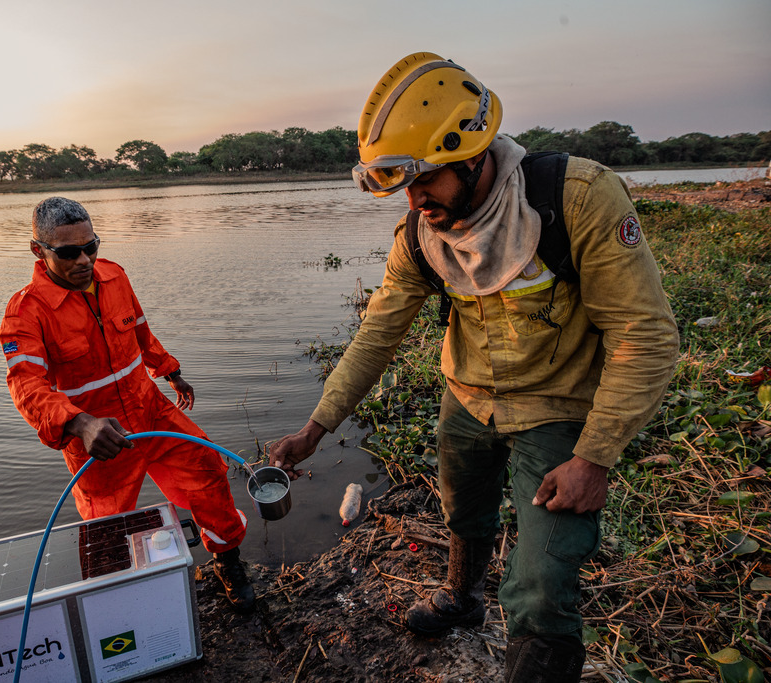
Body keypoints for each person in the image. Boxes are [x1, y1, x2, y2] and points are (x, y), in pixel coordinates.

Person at [270, 52, 679, 681]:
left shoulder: (575, 198)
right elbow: (378, 333)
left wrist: (594, 457)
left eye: (425, 180)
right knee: (464, 512)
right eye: (403, 187)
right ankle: (463, 598)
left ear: (473, 156)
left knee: (542, 581)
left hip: (558, 406)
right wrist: (315, 428)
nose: (414, 200)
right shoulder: (420, 233)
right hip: (466, 398)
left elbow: (644, 335)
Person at [0, 196, 254, 611]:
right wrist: (80, 424)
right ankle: (115, 600)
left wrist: (168, 369)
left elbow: (138, 330)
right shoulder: (25, 314)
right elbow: (27, 386)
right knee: (106, 525)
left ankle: (228, 561)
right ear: (38, 250)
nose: (84, 260)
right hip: (100, 439)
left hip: (151, 409)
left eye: (91, 246)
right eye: (68, 252)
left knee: (207, 469)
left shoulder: (114, 276)